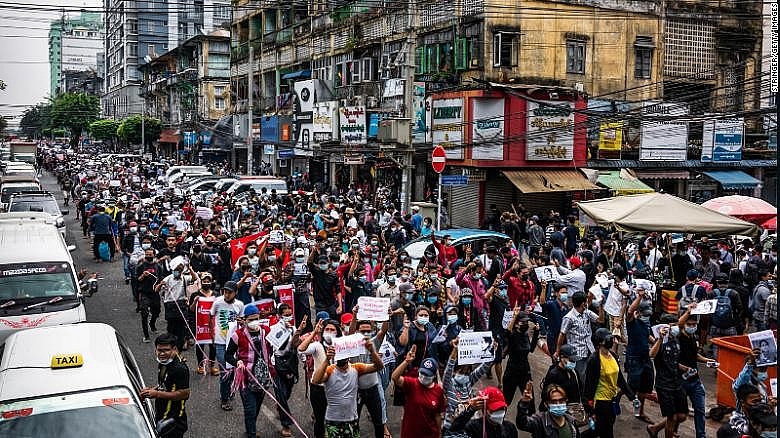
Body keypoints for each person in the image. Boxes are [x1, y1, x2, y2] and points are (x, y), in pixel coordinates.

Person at [311, 332, 384, 438]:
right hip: (333, 420)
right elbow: (316, 380)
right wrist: (327, 359)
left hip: (352, 420)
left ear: (348, 357)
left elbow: (378, 367)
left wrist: (372, 351)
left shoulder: (356, 368)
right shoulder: (330, 370)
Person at [225, 303, 273, 438]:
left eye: (256, 318)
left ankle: (250, 428)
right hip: (245, 378)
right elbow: (227, 355)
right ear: (244, 319)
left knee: (256, 407)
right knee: (250, 409)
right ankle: (251, 434)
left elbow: (276, 346)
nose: (254, 322)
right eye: (251, 319)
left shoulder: (266, 331)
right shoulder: (237, 335)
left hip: (263, 377)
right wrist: (236, 362)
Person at [582, 328, 635, 438]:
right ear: (600, 342)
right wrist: (589, 409)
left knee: (605, 426)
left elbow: (619, 378)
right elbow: (589, 386)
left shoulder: (613, 356)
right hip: (600, 401)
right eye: (608, 338)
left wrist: (631, 396)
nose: (611, 340)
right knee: (604, 430)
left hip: (612, 399)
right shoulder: (594, 360)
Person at [140, 333, 190, 438]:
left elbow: (184, 394)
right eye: (159, 350)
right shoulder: (164, 362)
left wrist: (157, 394)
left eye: (166, 350)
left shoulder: (180, 369)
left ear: (174, 349)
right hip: (162, 413)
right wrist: (150, 391)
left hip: (173, 420)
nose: (162, 354)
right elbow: (164, 385)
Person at [298, 315, 341, 438]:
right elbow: (301, 349)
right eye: (327, 329)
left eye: (333, 330)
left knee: (336, 418)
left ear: (338, 332)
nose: (329, 332)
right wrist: (314, 333)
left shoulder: (342, 345)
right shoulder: (317, 346)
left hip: (336, 388)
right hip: (319, 389)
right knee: (320, 419)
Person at [646, 315, 688, 438]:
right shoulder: (660, 342)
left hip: (677, 383)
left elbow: (673, 360)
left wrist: (682, 368)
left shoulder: (675, 339)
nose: (676, 327)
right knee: (672, 418)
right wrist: (660, 338)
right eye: (673, 325)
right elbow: (652, 354)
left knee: (682, 415)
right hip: (664, 385)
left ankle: (655, 428)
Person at [392, 347, 446, 438]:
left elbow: (437, 415)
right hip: (410, 434)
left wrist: (439, 434)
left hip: (430, 434)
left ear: (433, 376)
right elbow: (395, 377)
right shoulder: (412, 384)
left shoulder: (438, 391)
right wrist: (406, 361)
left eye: (427, 375)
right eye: (422, 373)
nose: (424, 377)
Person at [441, 337, 491, 433]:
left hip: (467, 426)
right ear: (455, 371)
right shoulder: (448, 383)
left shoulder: (469, 381)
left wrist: (491, 351)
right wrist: (455, 350)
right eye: (461, 371)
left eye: (467, 372)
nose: (464, 375)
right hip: (450, 427)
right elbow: (448, 368)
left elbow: (483, 368)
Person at [555, 291, 604, 381]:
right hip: (577, 353)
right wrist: (557, 351)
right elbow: (562, 334)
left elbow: (600, 320)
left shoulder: (587, 313)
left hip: (589, 350)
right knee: (581, 377)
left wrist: (601, 306)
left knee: (591, 375)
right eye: (586, 301)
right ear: (583, 304)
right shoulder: (569, 318)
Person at [210, 280, 244, 410]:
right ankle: (224, 399)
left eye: (230, 292)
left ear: (235, 293)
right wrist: (212, 335)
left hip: (234, 343)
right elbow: (210, 316)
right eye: (225, 291)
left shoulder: (240, 305)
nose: (227, 294)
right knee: (225, 371)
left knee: (233, 369)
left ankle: (229, 390)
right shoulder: (218, 302)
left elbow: (241, 322)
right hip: (220, 342)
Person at [449, 386, 518, 438]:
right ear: (484, 410)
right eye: (494, 410)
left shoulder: (510, 428)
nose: (499, 413)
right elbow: (454, 432)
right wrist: (471, 410)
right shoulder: (473, 427)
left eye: (501, 409)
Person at [516, 382, 580, 438]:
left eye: (561, 401)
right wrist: (524, 403)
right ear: (546, 404)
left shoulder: (570, 421)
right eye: (554, 402)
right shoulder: (540, 421)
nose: (558, 404)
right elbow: (522, 424)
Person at [502, 309, 539, 404]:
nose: (525, 324)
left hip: (525, 371)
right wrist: (514, 316)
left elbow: (531, 349)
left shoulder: (525, 335)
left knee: (530, 400)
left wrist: (536, 333)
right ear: (516, 324)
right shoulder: (513, 336)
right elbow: (507, 332)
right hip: (512, 372)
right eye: (523, 322)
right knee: (506, 401)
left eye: (527, 322)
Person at [188, 272, 217, 375]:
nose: (206, 283)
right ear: (201, 281)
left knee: (213, 345)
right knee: (200, 345)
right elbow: (191, 310)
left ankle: (212, 366)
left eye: (208, 281)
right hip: (199, 324)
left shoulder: (215, 295)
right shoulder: (195, 295)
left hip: (212, 324)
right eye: (204, 281)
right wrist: (195, 302)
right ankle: (200, 365)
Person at [136, 247, 162, 343]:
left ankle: (152, 323)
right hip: (144, 293)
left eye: (150, 255)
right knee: (144, 314)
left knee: (157, 311)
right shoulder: (141, 266)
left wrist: (161, 285)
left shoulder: (158, 266)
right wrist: (143, 275)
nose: (148, 256)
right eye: (147, 254)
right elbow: (137, 280)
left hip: (155, 293)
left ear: (154, 255)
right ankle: (146, 335)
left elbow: (161, 279)